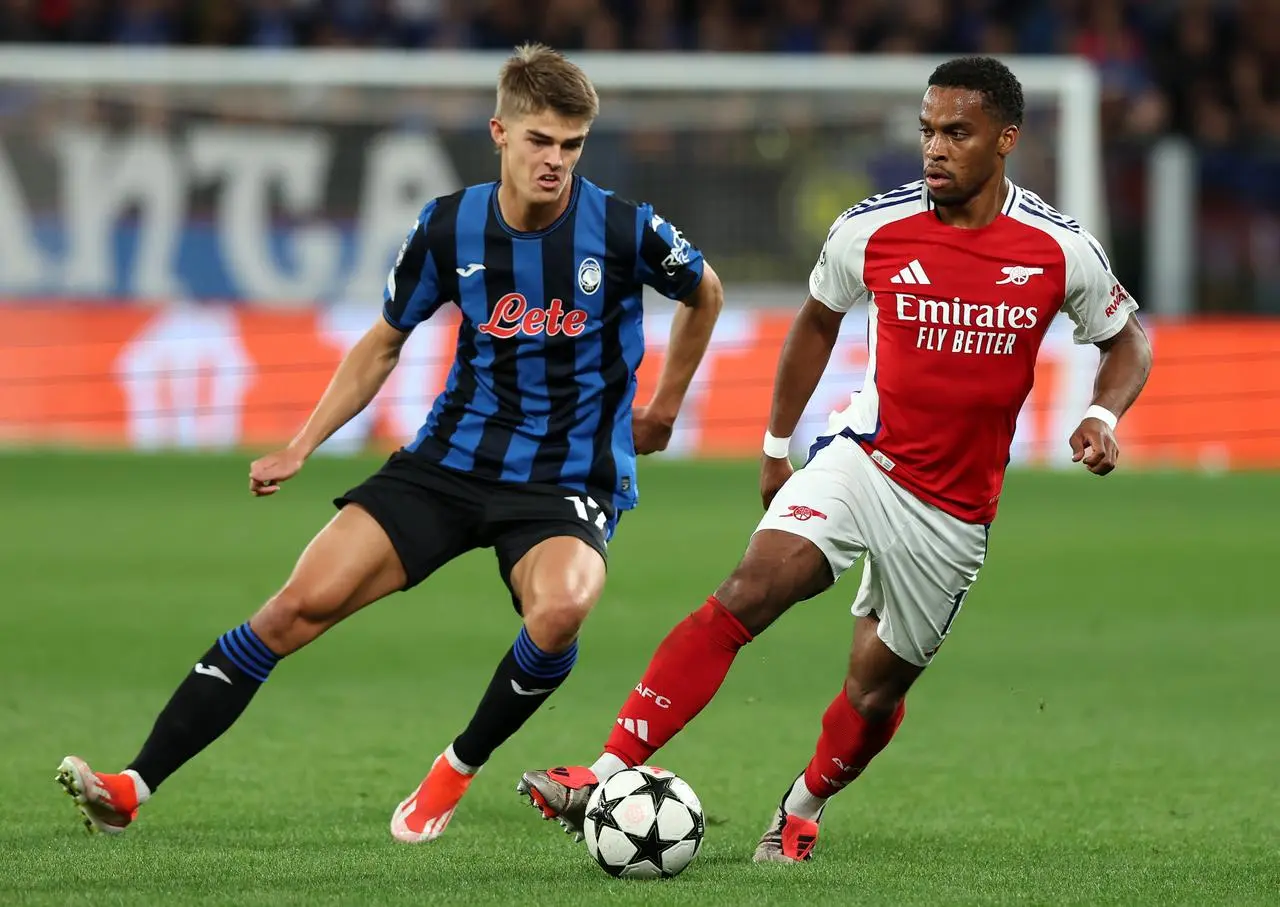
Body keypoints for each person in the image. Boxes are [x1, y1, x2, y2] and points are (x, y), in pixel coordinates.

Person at [56, 42, 724, 844]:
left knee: (564, 606)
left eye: (572, 144)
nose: (556, 160)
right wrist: (303, 444)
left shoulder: (622, 227)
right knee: (293, 608)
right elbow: (383, 341)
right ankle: (131, 786)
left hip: (566, 475)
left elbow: (704, 290)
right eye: (540, 140)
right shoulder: (448, 226)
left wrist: (665, 405)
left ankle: (453, 770)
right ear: (500, 133)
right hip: (446, 463)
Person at [517, 56, 1153, 863]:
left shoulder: (1056, 248)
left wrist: (1101, 412)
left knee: (874, 687)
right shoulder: (872, 227)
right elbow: (816, 321)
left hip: (954, 510)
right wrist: (778, 447)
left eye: (956, 132)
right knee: (751, 587)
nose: (935, 148)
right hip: (864, 458)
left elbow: (1126, 336)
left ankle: (800, 806)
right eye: (927, 130)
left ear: (1005, 140)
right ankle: (602, 773)